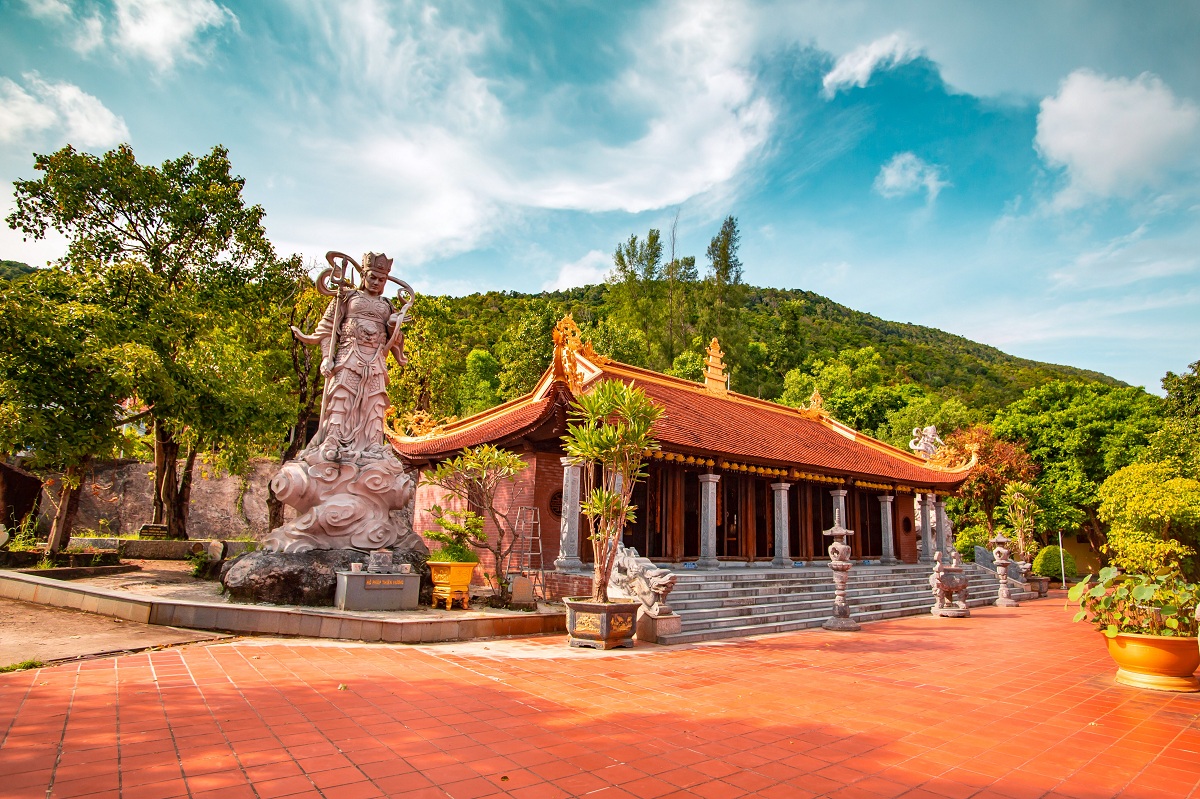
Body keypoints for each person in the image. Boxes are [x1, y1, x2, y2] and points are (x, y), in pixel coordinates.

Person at [300, 252, 406, 462]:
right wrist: (326, 357)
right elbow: (328, 329)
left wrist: (394, 323)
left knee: (375, 404)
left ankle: (373, 444)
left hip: (375, 361)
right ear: (363, 276)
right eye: (372, 277)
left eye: (381, 279)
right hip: (348, 356)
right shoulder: (347, 297)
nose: (376, 282)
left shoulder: (387, 305)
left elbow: (395, 339)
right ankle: (333, 439)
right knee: (342, 397)